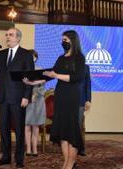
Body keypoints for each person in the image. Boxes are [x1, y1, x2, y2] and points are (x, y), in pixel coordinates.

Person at [0, 28, 34, 168]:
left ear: (18, 38)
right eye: (6, 35)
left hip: (18, 98)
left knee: (19, 130)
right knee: (3, 129)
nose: (7, 37)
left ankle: (19, 159)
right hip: (3, 97)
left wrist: (26, 96)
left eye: (10, 35)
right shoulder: (2, 54)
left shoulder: (26, 55)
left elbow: (29, 77)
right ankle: (5, 156)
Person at [44, 30, 85, 169]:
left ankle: (71, 162)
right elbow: (51, 74)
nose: (63, 42)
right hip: (60, 95)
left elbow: (76, 78)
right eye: (62, 40)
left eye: (65, 40)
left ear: (73, 41)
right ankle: (66, 162)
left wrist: (56, 75)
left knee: (71, 130)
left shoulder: (79, 58)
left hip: (72, 96)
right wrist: (33, 80)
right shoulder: (61, 58)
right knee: (63, 130)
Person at [23, 49, 46, 156]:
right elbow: (22, 85)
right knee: (27, 125)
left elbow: (42, 84)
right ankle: (28, 148)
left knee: (36, 126)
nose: (32, 58)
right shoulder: (24, 70)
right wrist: (28, 95)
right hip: (27, 100)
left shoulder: (40, 70)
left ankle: (35, 148)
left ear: (36, 58)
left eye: (34, 56)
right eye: (30, 56)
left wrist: (35, 93)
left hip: (38, 100)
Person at [78, 64, 91, 155]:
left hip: (81, 101)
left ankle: (81, 148)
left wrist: (88, 100)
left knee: (79, 125)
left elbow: (88, 84)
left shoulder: (85, 67)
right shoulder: (67, 65)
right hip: (68, 101)